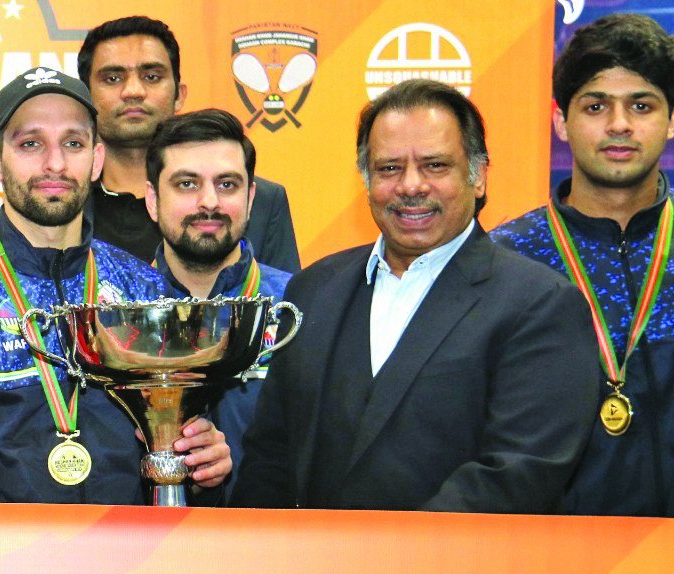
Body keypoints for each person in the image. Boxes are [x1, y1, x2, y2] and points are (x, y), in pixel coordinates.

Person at [234, 79, 597, 513]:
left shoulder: (541, 303)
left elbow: (519, 473)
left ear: (478, 176)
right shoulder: (313, 290)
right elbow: (271, 457)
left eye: (435, 166)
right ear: (366, 182)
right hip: (314, 573)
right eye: (389, 168)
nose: (410, 186)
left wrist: (392, 562)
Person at [0, 68, 231, 504]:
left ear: (96, 160)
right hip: (8, 564)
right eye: (31, 143)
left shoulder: (147, 292)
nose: (54, 163)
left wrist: (203, 461)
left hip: (139, 561)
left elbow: (181, 459)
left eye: (73, 143)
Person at [492, 13, 674, 516]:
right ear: (560, 121)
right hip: (555, 568)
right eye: (596, 106)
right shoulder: (503, 258)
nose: (619, 124)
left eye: (641, 105)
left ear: (671, 119)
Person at [78, 16, 302, 274]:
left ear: (179, 95)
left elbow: (284, 305)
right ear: (85, 98)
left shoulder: (263, 201)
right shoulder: (64, 200)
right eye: (113, 78)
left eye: (151, 76)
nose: (133, 91)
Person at [144, 109, 291, 493]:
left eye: (227, 184)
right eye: (187, 184)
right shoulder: (114, 312)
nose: (209, 202)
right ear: (152, 199)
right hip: (138, 546)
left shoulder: (300, 306)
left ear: (251, 196)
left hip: (268, 543)